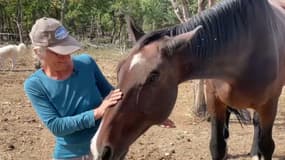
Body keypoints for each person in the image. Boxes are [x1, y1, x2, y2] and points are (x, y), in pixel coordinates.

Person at [24, 17, 123, 160]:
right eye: (58, 53)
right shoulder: (35, 85)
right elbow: (56, 126)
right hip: (71, 155)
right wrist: (97, 112)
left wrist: (147, 111)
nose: (66, 57)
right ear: (39, 52)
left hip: (106, 149)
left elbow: (114, 95)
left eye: (67, 50)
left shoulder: (87, 64)